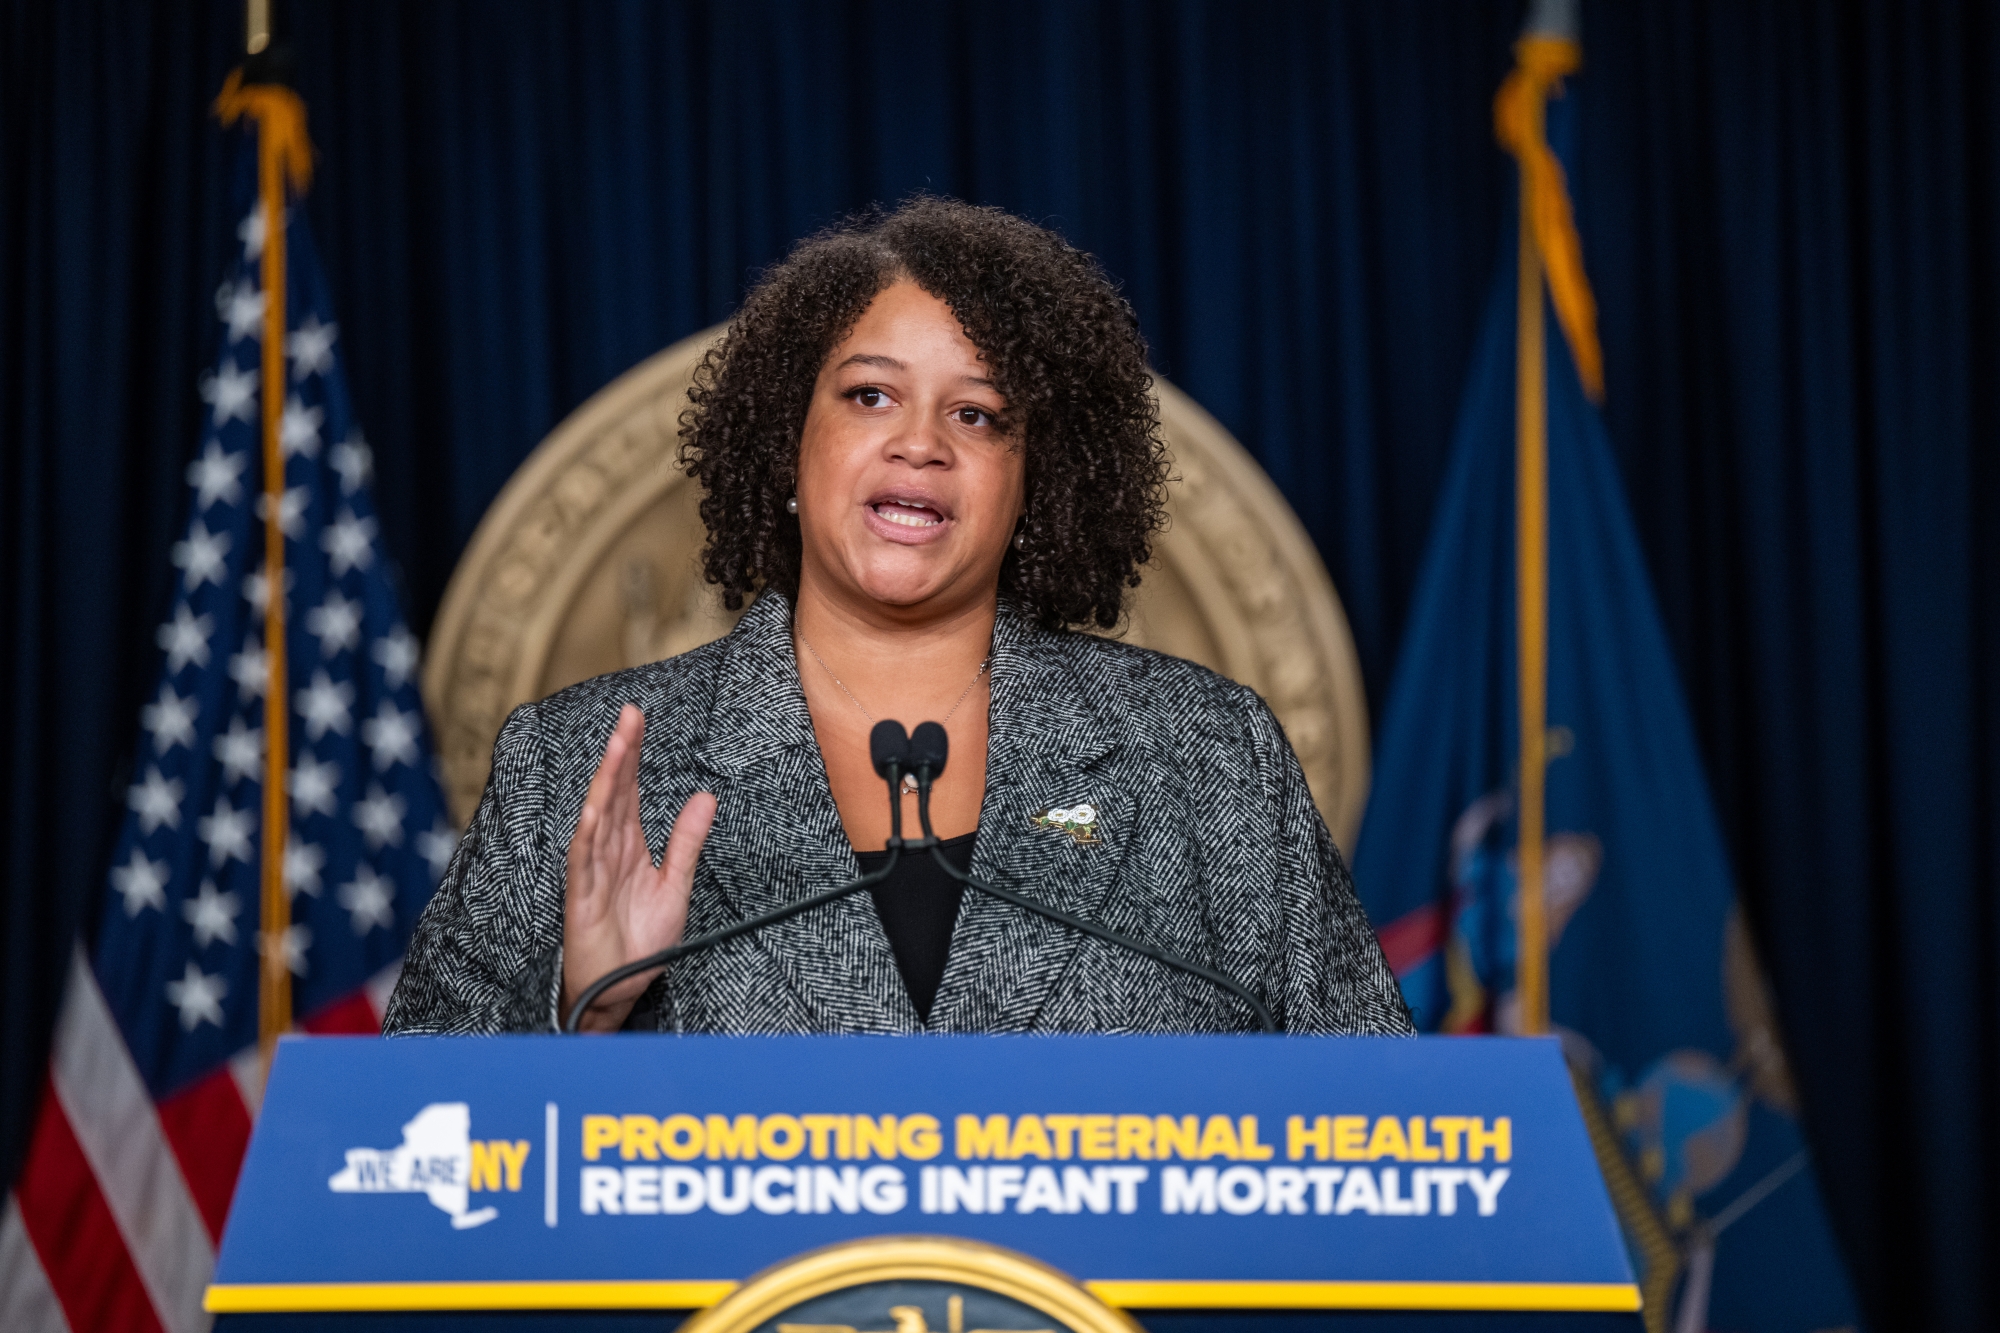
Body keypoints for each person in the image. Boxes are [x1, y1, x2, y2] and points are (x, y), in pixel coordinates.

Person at [384, 197, 1413, 1038]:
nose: (921, 442)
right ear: (788, 444)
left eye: (977, 414)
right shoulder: (571, 766)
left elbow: (1376, 1128)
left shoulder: (1208, 758)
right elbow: (415, 1148)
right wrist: (581, 1004)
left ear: (1034, 483)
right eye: (870, 396)